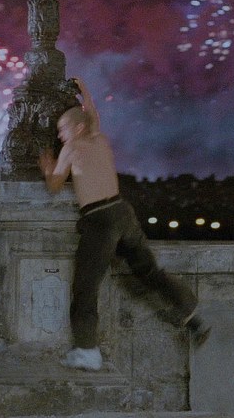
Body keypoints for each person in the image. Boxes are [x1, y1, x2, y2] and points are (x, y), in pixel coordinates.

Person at [38, 77, 210, 371]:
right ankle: (189, 312)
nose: (60, 134)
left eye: (62, 128)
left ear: (77, 129)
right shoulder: (98, 139)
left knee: (85, 287)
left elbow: (55, 184)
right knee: (149, 271)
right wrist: (85, 90)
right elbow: (92, 115)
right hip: (123, 212)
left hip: (99, 219)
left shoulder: (72, 147)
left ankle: (87, 350)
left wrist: (46, 165)